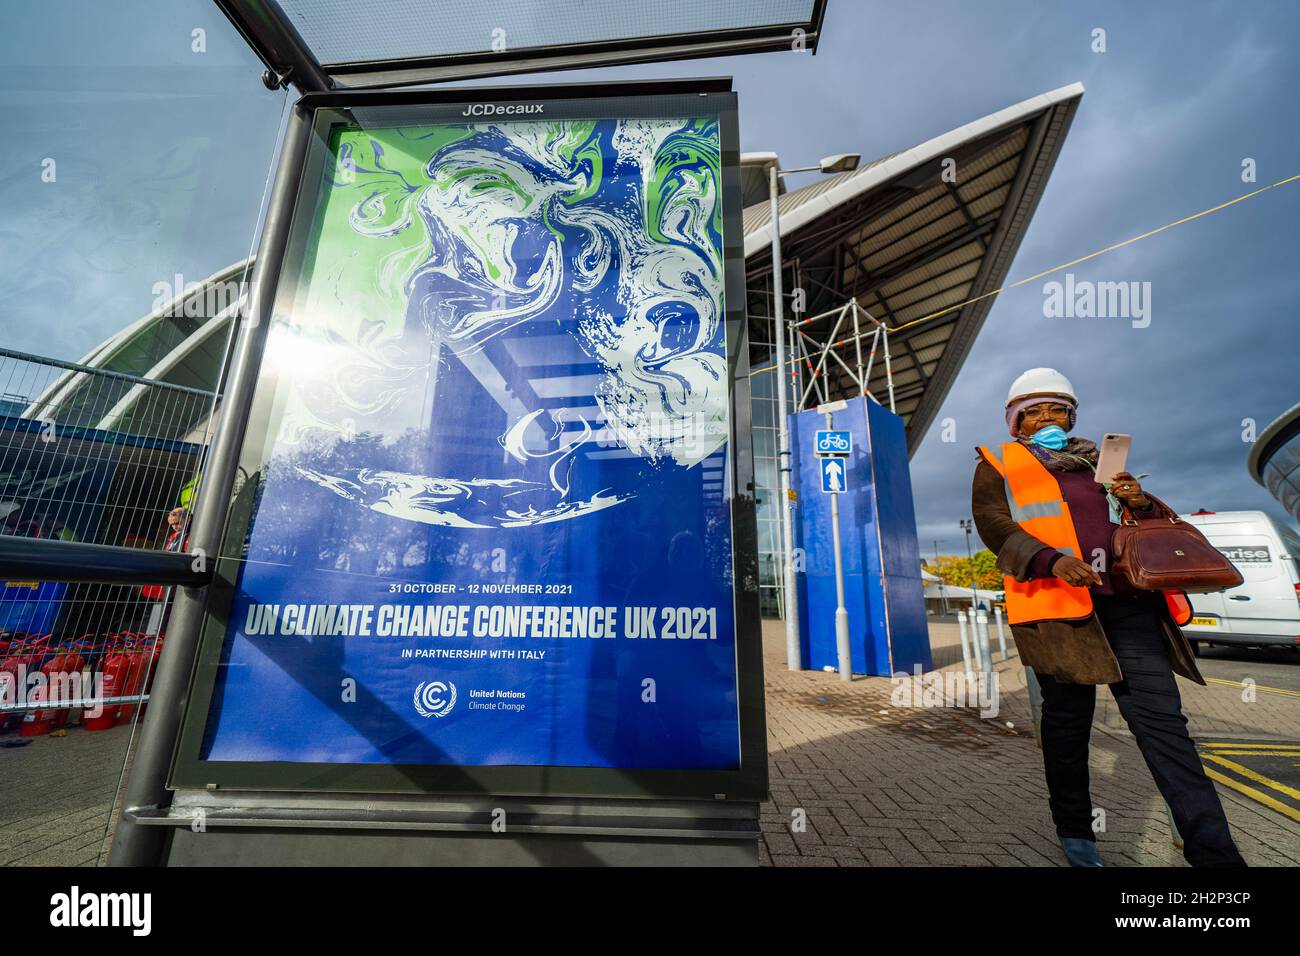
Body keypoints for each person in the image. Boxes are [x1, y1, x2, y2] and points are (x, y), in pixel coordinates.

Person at [971, 368, 1245, 867]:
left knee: (1165, 729)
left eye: (1057, 408)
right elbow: (993, 523)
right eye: (1034, 410)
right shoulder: (998, 461)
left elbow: (1146, 531)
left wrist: (1140, 501)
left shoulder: (1101, 462)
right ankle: (1076, 832)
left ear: (1072, 415)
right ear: (1016, 421)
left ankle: (1215, 854)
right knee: (1067, 727)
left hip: (1128, 608)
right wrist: (1050, 560)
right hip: (1059, 612)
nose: (1047, 417)